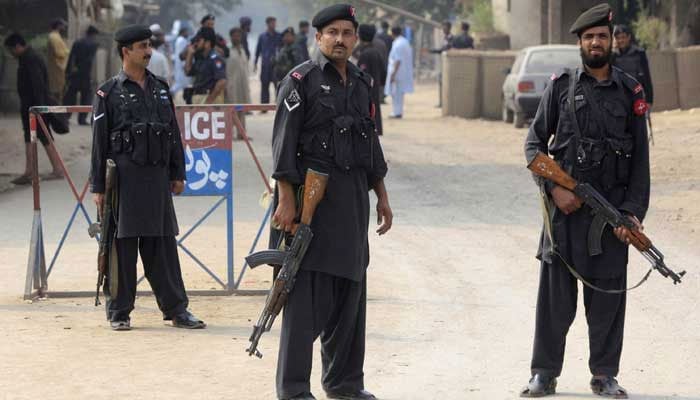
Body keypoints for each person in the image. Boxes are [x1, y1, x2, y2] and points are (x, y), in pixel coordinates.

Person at [521, 4, 650, 399]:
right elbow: (533, 147)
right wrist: (555, 190)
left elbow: (641, 160)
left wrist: (630, 214)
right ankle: (544, 373)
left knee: (607, 305)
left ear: (612, 41)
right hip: (564, 217)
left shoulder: (630, 91)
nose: (596, 42)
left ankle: (604, 375)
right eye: (589, 37)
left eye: (602, 36)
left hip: (609, 218)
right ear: (579, 42)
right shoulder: (561, 87)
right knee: (554, 303)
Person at [271, 4, 392, 399]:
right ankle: (293, 390)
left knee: (350, 301)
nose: (340, 39)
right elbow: (283, 147)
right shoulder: (299, 81)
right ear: (318, 36)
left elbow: (370, 144)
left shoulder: (361, 82)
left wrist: (382, 196)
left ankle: (344, 384)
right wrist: (286, 201)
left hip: (353, 205)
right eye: (332, 32)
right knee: (304, 302)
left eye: (347, 32)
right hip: (311, 210)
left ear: (355, 38)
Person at [89, 24, 206, 331]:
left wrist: (178, 172)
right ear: (126, 51)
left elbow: (173, 135)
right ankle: (119, 311)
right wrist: (98, 186)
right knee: (121, 249)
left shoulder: (161, 88)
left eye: (149, 45)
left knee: (163, 247)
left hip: (156, 180)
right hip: (123, 184)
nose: (149, 51)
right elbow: (99, 143)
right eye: (142, 46)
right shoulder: (108, 93)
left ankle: (177, 310)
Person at [4, 33, 64, 185]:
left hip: (35, 107)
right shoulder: (28, 58)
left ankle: (57, 169)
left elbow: (37, 86)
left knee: (44, 136)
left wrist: (38, 109)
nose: (11, 53)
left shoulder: (30, 59)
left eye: (11, 49)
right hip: (31, 107)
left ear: (18, 46)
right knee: (30, 137)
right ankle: (29, 171)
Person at [64, 25, 100, 125]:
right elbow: (90, 61)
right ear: (94, 34)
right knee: (86, 97)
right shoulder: (94, 44)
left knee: (70, 96)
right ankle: (82, 119)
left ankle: (65, 117)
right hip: (85, 74)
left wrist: (68, 72)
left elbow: (71, 57)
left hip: (75, 74)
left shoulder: (77, 42)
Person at [355, 24, 386, 135]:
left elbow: (361, 74)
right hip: (376, 87)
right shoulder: (376, 52)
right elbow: (383, 71)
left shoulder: (365, 54)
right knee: (375, 108)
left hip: (366, 89)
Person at [612, 24, 654, 107]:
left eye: (623, 37)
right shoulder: (613, 56)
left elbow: (646, 77)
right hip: (621, 97)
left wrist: (649, 99)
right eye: (618, 38)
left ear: (629, 37)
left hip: (637, 95)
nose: (621, 40)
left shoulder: (639, 53)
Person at [185, 27, 227, 104]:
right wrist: (190, 55)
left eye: (199, 40)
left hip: (209, 98)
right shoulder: (200, 58)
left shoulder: (215, 59)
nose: (196, 43)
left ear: (207, 43)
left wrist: (208, 101)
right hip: (198, 97)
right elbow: (188, 72)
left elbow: (221, 81)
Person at [226, 27, 252, 139]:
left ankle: (242, 134)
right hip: (232, 84)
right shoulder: (227, 50)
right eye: (235, 36)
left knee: (242, 108)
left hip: (243, 84)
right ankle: (229, 134)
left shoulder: (242, 49)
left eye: (238, 36)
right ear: (231, 37)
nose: (237, 38)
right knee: (232, 110)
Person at [385, 25, 413, 119]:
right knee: (399, 93)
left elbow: (398, 60)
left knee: (395, 93)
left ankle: (396, 112)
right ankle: (398, 111)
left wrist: (393, 74)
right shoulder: (404, 42)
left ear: (392, 33)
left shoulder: (397, 44)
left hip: (397, 71)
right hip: (403, 72)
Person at [255, 16, 282, 105]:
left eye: (275, 23)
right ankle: (264, 106)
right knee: (264, 85)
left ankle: (278, 105)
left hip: (276, 65)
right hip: (265, 64)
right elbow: (258, 50)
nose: (274, 25)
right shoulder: (262, 36)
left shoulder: (279, 36)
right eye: (272, 23)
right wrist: (255, 63)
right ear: (268, 24)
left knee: (277, 85)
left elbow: (282, 49)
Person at [428, 20, 454, 107]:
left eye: (445, 27)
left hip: (449, 64)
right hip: (443, 64)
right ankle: (442, 102)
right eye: (443, 27)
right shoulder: (446, 38)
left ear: (449, 28)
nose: (443, 29)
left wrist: (432, 51)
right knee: (441, 83)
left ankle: (445, 102)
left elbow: (444, 49)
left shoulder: (451, 38)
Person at [47, 19, 70, 103]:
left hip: (58, 66)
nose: (64, 27)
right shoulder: (54, 37)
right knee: (57, 89)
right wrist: (67, 51)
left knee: (59, 90)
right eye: (63, 25)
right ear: (58, 25)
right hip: (57, 67)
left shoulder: (55, 36)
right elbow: (59, 52)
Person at [171, 26, 192, 103]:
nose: (188, 33)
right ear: (183, 32)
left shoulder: (178, 40)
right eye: (186, 32)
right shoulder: (182, 41)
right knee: (181, 83)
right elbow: (183, 54)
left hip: (178, 65)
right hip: (182, 65)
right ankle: (171, 93)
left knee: (180, 82)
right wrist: (185, 64)